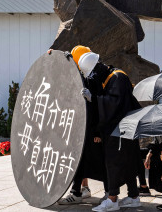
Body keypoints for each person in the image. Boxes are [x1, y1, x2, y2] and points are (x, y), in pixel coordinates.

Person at [79, 52, 143, 212]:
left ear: (97, 68)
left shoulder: (117, 77)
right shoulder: (111, 78)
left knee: (113, 163)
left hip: (120, 130)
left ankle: (112, 199)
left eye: (92, 74)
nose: (93, 78)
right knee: (127, 163)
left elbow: (115, 103)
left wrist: (94, 99)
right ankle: (134, 196)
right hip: (123, 129)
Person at [59, 46, 109, 206]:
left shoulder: (96, 77)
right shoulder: (96, 72)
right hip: (90, 128)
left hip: (94, 128)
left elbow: (99, 106)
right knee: (81, 159)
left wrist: (98, 131)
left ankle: (108, 193)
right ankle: (78, 191)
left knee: (99, 161)